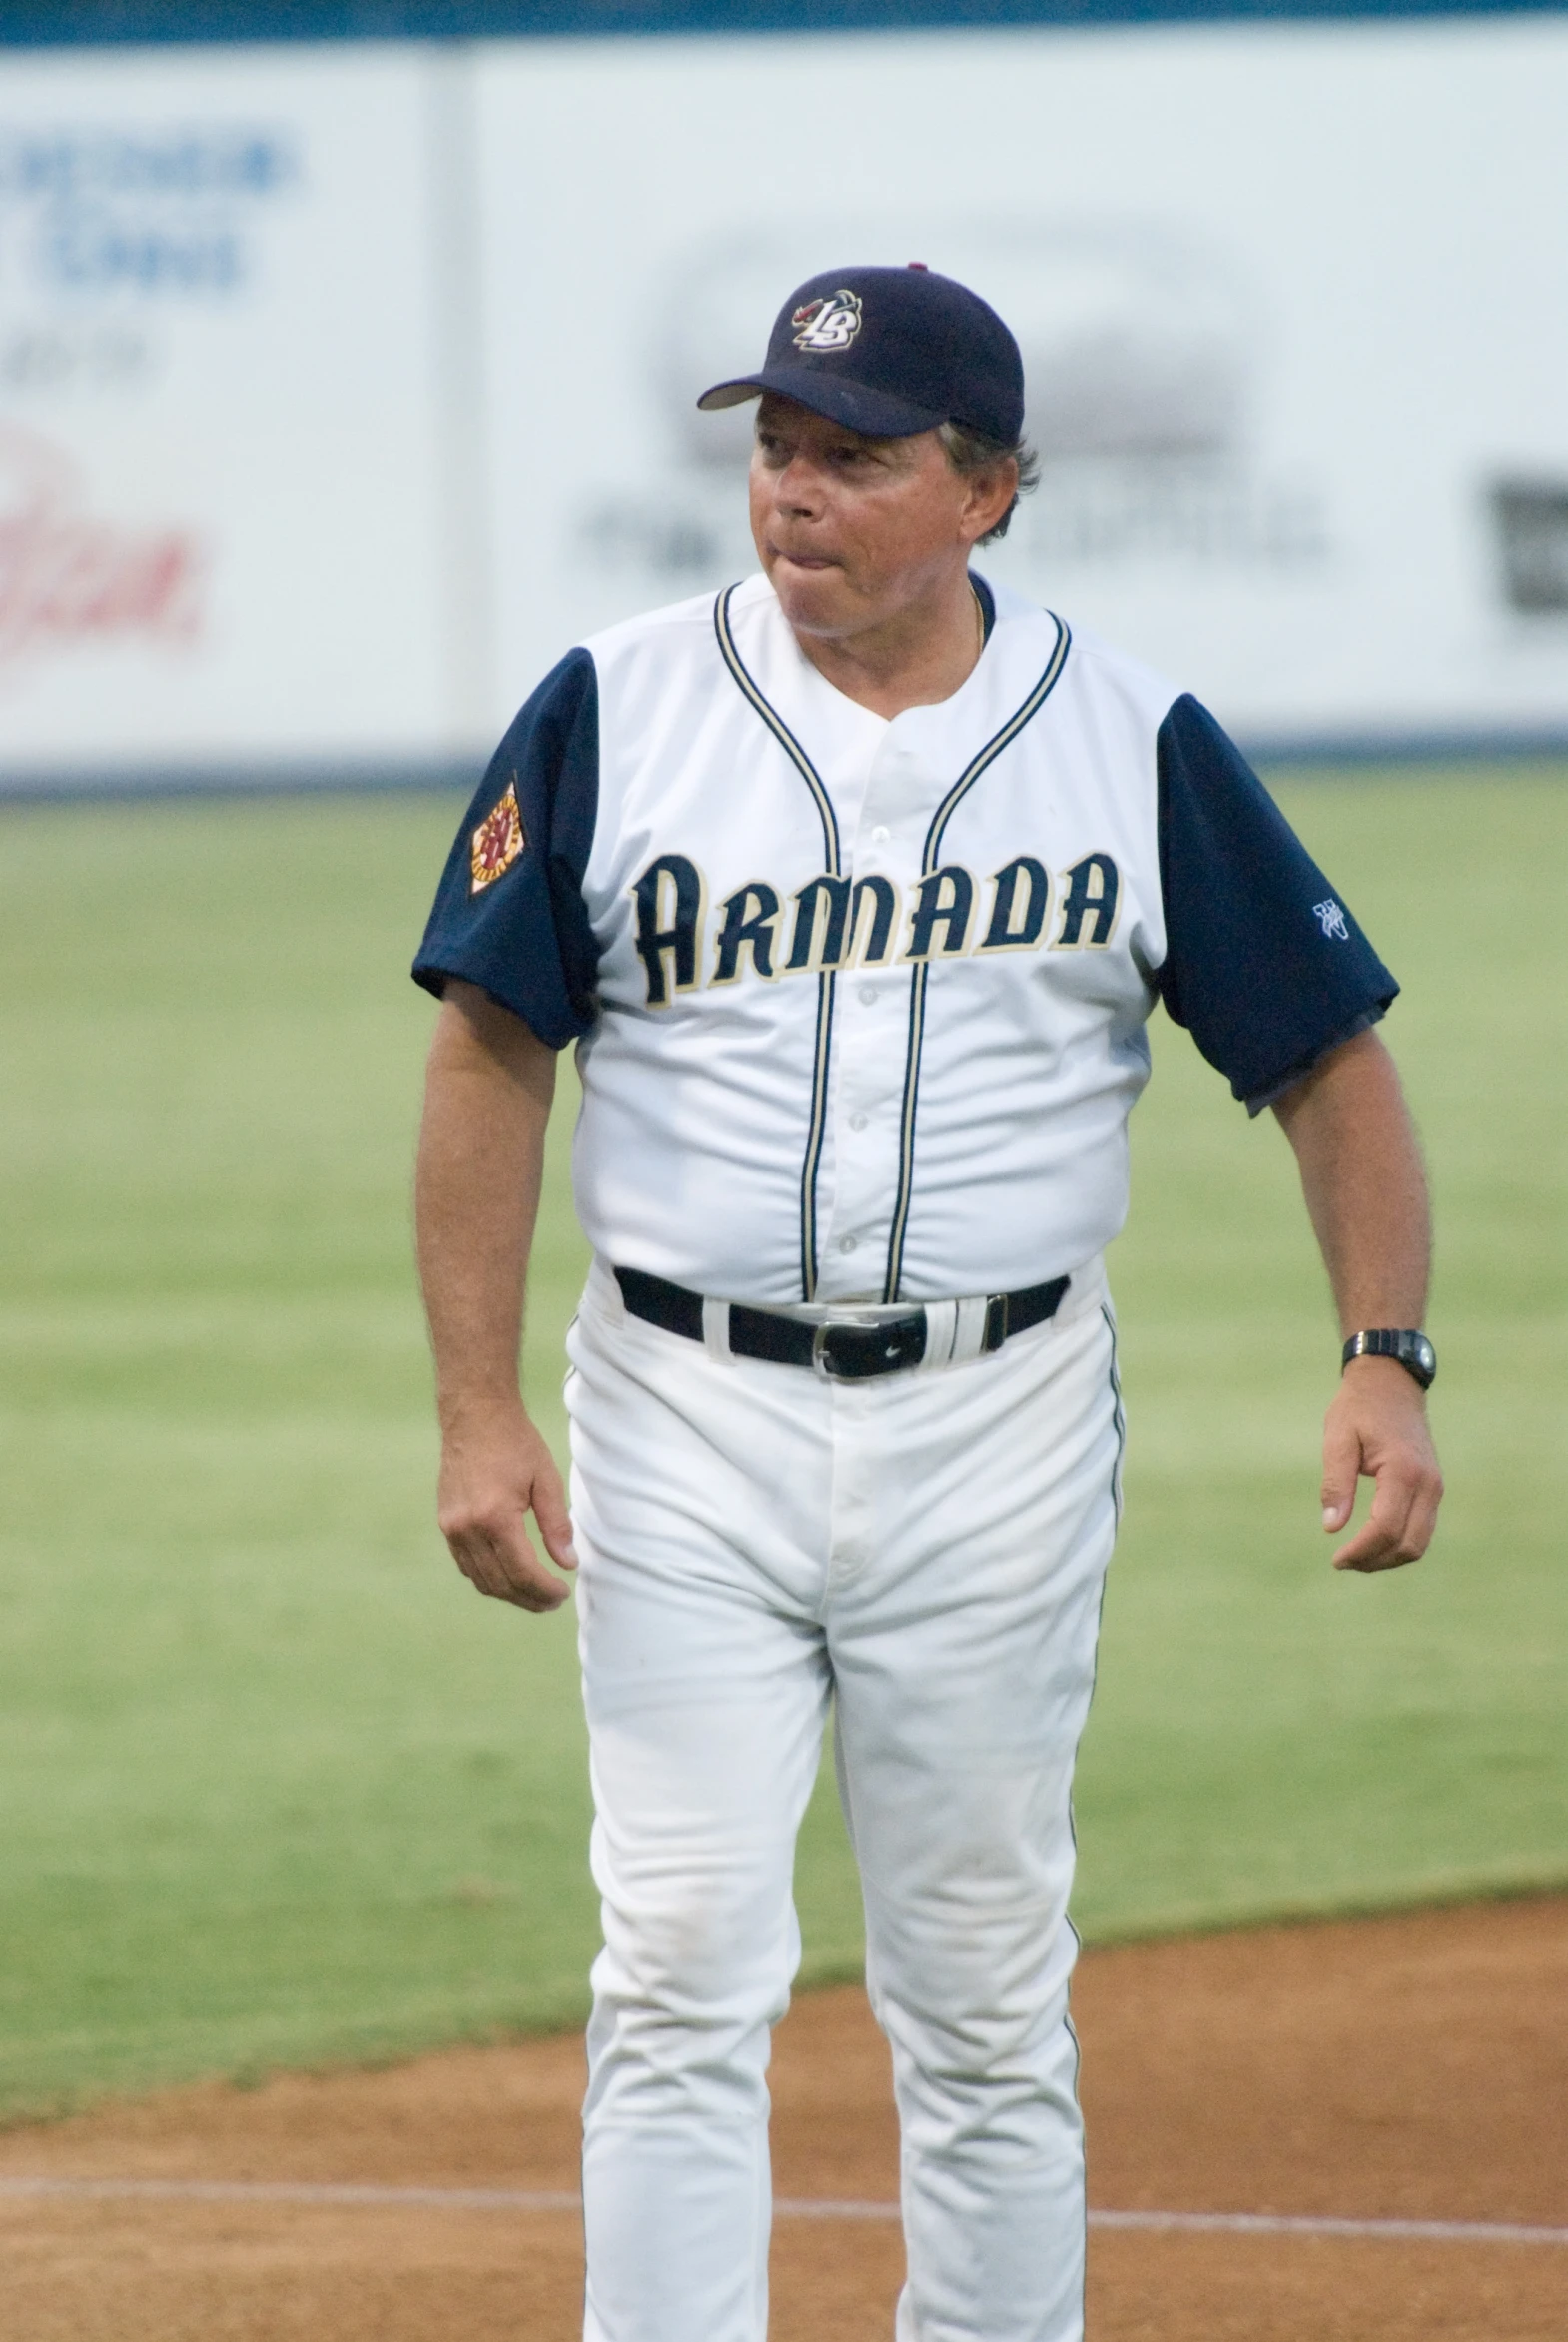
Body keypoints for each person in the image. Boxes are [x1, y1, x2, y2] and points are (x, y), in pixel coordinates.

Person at [411, 264, 1443, 2342]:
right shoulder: (615, 703)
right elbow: (485, 1050)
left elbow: (1327, 1057)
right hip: (678, 1415)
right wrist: (475, 1404)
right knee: (681, 1951)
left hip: (1000, 1422)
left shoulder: (1125, 735)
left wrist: (1380, 1355)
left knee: (978, 1984)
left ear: (981, 490)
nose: (791, 492)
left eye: (851, 456)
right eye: (772, 448)